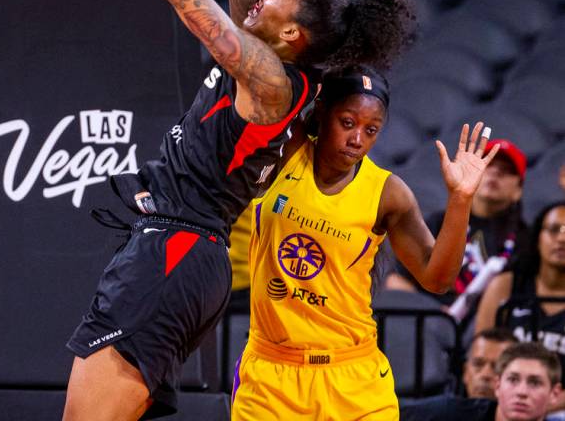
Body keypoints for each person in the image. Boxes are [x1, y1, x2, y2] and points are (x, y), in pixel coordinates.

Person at [62, 0, 416, 421]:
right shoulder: (281, 60)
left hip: (173, 253)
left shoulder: (272, 83)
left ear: (292, 36)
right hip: (180, 254)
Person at [226, 60, 500, 421]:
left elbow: (438, 279)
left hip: (352, 376)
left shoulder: (388, 193)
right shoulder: (285, 152)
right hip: (271, 375)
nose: (357, 139)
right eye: (348, 123)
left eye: (371, 130)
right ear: (322, 112)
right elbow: (254, 74)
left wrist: (461, 200)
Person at [386, 139, 529, 325]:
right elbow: (396, 281)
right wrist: (435, 314)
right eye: (488, 165)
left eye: (507, 170)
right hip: (430, 323)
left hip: (489, 327)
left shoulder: (525, 239)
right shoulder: (439, 222)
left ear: (518, 190)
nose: (495, 173)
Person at [475, 202, 565, 411]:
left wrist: (540, 406)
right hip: (504, 405)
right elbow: (482, 357)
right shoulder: (505, 286)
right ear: (537, 238)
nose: (562, 238)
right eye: (553, 230)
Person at [401, 341, 562, 421]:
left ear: (554, 393)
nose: (521, 392)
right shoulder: (447, 413)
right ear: (497, 385)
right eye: (513, 379)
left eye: (534, 383)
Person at [463, 329, 518, 399]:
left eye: (497, 367)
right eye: (478, 364)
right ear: (465, 372)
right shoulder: (446, 408)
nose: (485, 375)